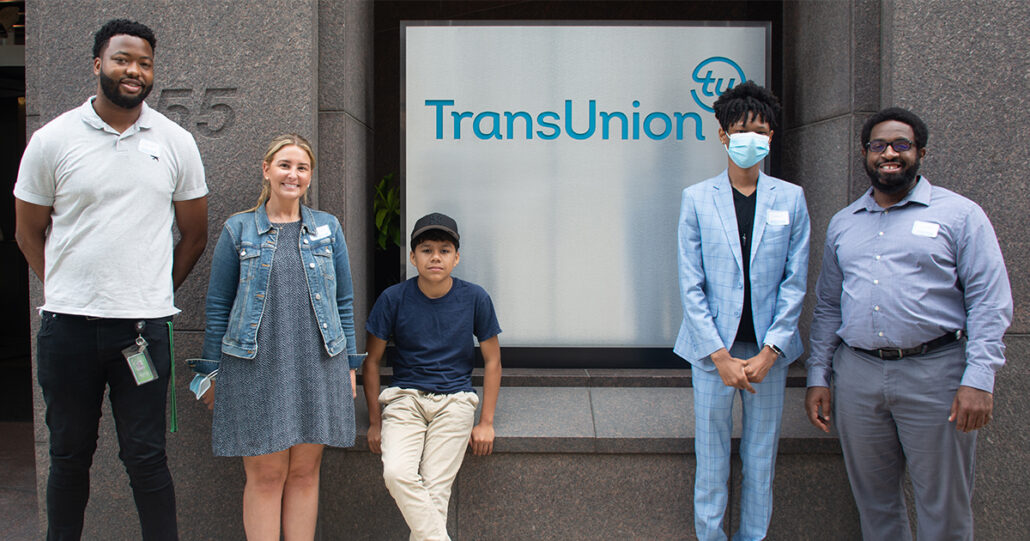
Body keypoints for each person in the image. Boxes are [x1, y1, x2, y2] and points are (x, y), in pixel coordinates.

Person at [12, 19, 207, 541]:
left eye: (143, 63)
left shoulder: (175, 141)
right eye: (122, 59)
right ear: (98, 63)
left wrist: (150, 290)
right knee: (69, 456)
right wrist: (67, 289)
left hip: (141, 331)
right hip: (68, 330)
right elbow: (28, 231)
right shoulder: (52, 139)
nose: (133, 71)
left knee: (146, 458)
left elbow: (193, 234)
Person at [805, 107, 1012, 540]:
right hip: (858, 376)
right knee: (875, 505)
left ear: (921, 152)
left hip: (936, 375)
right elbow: (828, 306)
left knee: (944, 508)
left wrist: (979, 379)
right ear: (865, 153)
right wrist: (818, 375)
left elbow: (990, 303)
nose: (889, 154)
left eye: (901, 144)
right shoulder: (844, 224)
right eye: (878, 145)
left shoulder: (959, 215)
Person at [199, 133, 362, 540]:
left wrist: (349, 365)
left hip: (318, 361)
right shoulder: (238, 230)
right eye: (285, 165)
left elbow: (343, 301)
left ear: (310, 176)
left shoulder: (328, 228)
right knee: (267, 475)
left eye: (302, 167)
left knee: (305, 473)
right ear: (267, 169)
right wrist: (210, 373)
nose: (293, 174)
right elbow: (218, 305)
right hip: (255, 364)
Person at [674, 81, 810, 541]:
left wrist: (772, 350)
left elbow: (795, 281)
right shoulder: (697, 198)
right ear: (722, 135)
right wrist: (719, 355)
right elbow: (690, 283)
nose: (751, 138)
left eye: (760, 129)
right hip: (714, 354)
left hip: (767, 356)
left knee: (760, 461)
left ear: (771, 136)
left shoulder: (790, 198)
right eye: (740, 129)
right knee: (711, 464)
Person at [362, 212, 501, 541]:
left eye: (444, 250)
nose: (435, 257)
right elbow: (371, 362)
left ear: (456, 258)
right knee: (397, 474)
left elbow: (493, 360)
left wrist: (486, 422)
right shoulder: (393, 299)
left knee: (436, 490)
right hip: (404, 400)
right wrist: (374, 421)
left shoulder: (475, 297)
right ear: (412, 257)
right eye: (426, 249)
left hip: (455, 402)